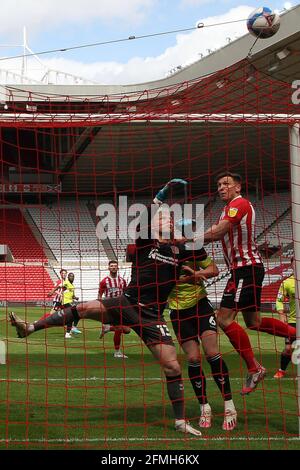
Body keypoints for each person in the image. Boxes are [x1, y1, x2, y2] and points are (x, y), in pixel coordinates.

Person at [9, 179, 205, 436]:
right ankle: (30, 328)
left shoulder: (178, 251)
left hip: (152, 315)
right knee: (83, 308)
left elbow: (189, 263)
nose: (168, 220)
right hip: (127, 303)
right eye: (164, 218)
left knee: (173, 367)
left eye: (170, 219)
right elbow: (147, 217)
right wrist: (160, 197)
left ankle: (180, 422)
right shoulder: (146, 241)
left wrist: (191, 272)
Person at [203, 172, 296, 395]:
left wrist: (186, 239)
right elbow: (214, 232)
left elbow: (218, 232)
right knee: (254, 321)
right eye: (218, 185)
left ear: (237, 186)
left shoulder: (240, 203)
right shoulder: (228, 209)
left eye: (226, 184)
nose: (221, 188)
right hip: (245, 270)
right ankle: (295, 332)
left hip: (245, 269)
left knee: (223, 319)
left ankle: (254, 368)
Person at [167, 219, 237, 431]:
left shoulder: (191, 249)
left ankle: (229, 406)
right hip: (178, 312)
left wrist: (197, 275)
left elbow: (215, 270)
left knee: (212, 354)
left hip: (200, 306)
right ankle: (204, 407)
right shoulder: (157, 255)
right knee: (193, 359)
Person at [99, 260, 131, 358]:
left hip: (121, 308)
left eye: (115, 266)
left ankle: (108, 328)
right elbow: (100, 295)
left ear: (118, 268)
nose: (113, 267)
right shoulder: (104, 281)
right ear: (108, 268)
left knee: (127, 330)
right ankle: (117, 352)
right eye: (111, 266)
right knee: (119, 329)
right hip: (110, 309)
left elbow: (125, 294)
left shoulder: (122, 281)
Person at [274, 257, 296, 378]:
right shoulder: (287, 282)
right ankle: (282, 370)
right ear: (292, 266)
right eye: (295, 263)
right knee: (288, 349)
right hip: (293, 321)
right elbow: (279, 300)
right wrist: (281, 314)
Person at [63, 272, 80, 338]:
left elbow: (72, 296)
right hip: (66, 302)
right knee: (72, 316)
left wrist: (75, 298)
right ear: (68, 277)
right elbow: (59, 286)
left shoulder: (72, 286)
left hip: (70, 302)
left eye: (73, 276)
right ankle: (68, 332)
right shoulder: (66, 282)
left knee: (77, 315)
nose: (72, 278)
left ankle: (71, 329)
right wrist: (53, 291)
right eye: (70, 276)